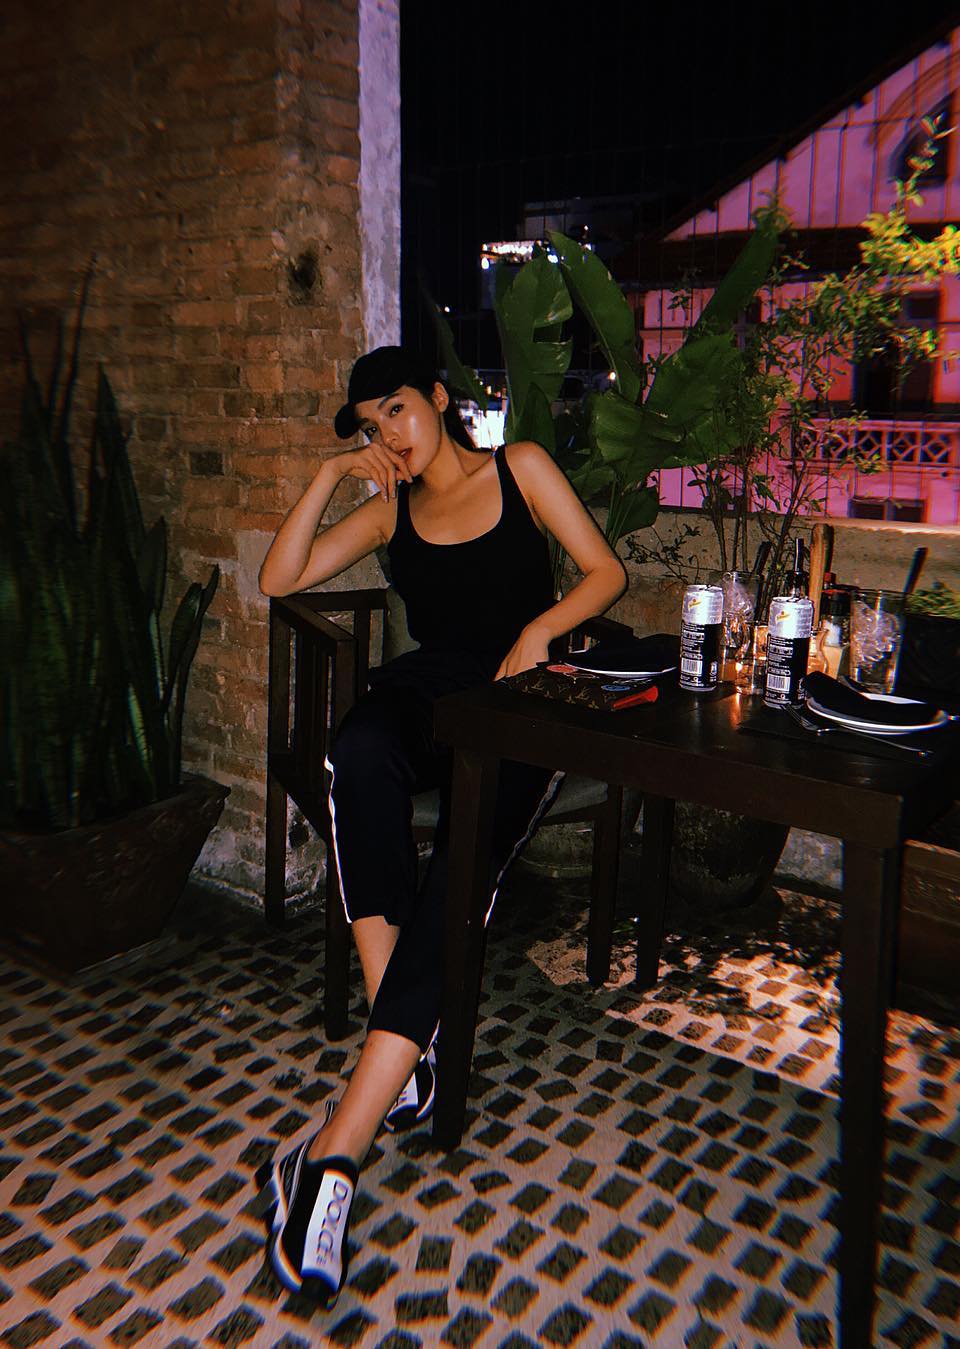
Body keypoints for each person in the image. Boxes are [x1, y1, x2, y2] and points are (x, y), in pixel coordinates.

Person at [255, 346, 626, 1304]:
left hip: (518, 702)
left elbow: (605, 572)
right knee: (358, 752)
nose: (388, 435)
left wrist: (539, 632)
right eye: (369, 426)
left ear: (439, 397)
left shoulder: (521, 467)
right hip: (427, 696)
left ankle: (331, 1152)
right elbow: (278, 578)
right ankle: (407, 1046)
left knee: (468, 855)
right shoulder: (390, 510)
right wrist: (331, 472)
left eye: (396, 410)